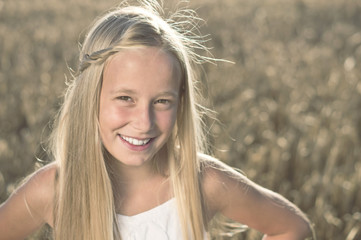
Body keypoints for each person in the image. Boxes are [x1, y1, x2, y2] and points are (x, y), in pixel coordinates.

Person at [0, 1, 314, 239]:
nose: (144, 121)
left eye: (162, 101)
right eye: (125, 98)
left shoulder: (202, 183)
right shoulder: (55, 190)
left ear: (180, 104)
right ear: (89, 98)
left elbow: (292, 227)